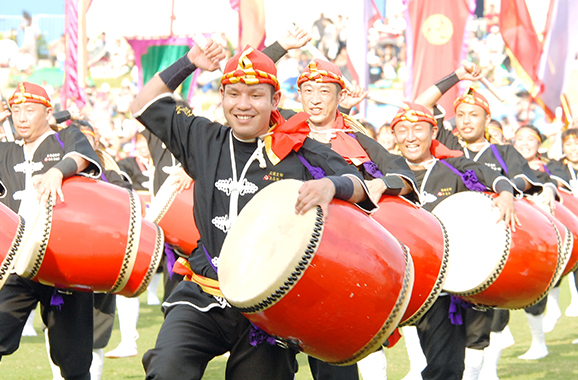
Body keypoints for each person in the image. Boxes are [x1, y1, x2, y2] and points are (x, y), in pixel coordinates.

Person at [131, 40, 374, 380]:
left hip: (270, 305)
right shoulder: (203, 137)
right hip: (205, 290)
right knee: (168, 369)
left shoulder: (300, 150)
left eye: (256, 95)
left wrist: (332, 185)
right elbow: (143, 103)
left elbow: (359, 183)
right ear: (223, 97)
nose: (243, 105)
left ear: (276, 99)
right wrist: (189, 62)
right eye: (234, 94)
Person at [415, 63, 552, 376]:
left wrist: (511, 190)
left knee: (480, 329)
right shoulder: (446, 145)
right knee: (440, 330)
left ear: (487, 119)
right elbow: (420, 107)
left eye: (473, 114)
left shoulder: (503, 152)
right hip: (449, 250)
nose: (465, 120)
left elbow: (525, 182)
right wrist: (457, 77)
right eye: (460, 114)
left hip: (488, 250)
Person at [390, 101, 518, 380]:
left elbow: (490, 176)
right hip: (400, 283)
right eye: (402, 130)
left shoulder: (452, 167)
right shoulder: (384, 171)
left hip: (444, 285)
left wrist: (505, 192)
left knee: (447, 368)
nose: (410, 137)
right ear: (394, 135)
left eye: (418, 129)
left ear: (433, 132)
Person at [0, 82, 101, 380]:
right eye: (15, 111)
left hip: (64, 264)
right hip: (16, 266)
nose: (21, 117)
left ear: (48, 113)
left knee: (73, 362)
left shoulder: (65, 139)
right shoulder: (5, 151)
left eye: (30, 110)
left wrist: (58, 171)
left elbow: (83, 155)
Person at [547, 128, 578, 328]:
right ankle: (553, 306)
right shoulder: (557, 168)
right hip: (571, 229)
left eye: (576, 143)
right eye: (568, 144)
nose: (573, 148)